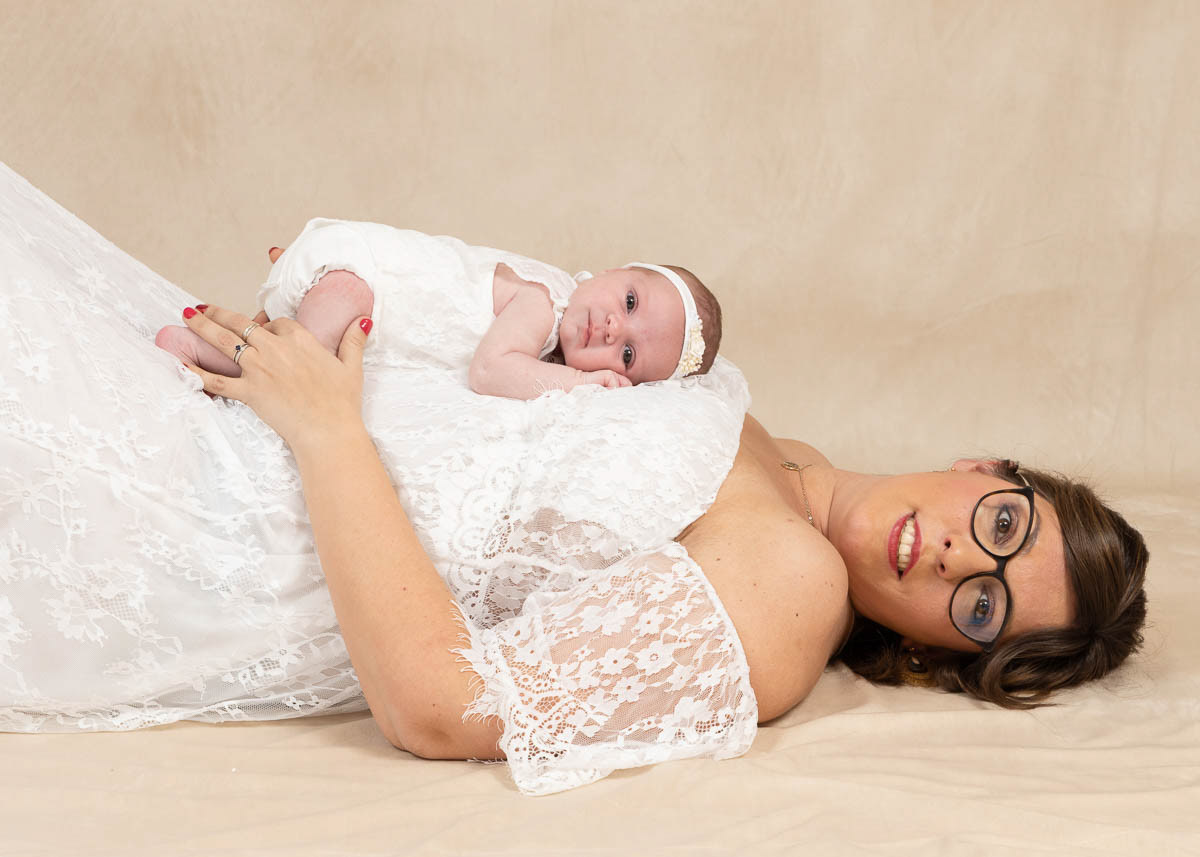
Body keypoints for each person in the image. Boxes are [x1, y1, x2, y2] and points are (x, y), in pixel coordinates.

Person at [0, 162, 1148, 796]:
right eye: (1001, 524)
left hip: (204, 525)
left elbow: (445, 705)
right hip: (225, 410)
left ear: (946, 649)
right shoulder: (749, 414)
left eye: (983, 604)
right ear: (981, 468)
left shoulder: (791, 594)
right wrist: (330, 312)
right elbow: (509, 347)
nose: (955, 557)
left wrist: (327, 427)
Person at [153, 219, 723, 399]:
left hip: (354, 290)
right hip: (358, 275)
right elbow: (490, 372)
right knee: (306, 357)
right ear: (613, 270)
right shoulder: (543, 303)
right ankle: (205, 353)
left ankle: (262, 339)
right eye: (629, 301)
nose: (614, 328)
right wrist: (583, 383)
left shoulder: (554, 308)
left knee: (316, 341)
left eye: (628, 355)